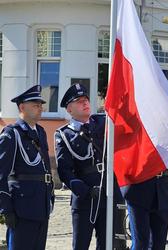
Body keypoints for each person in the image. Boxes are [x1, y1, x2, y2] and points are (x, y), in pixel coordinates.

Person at [54, 84, 124, 250]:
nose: (85, 103)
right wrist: (83, 189)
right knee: (81, 244)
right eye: (79, 101)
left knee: (109, 244)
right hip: (86, 198)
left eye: (86, 99)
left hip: (110, 194)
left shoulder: (103, 122)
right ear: (69, 109)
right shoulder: (64, 134)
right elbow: (64, 170)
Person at [0, 85, 54, 250]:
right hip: (21, 208)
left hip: (41, 205)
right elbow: (1, 174)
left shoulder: (41, 132)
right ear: (22, 107)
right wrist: (5, 209)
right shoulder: (11, 134)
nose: (40, 109)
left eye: (41, 105)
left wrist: (50, 196)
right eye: (35, 105)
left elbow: (45, 168)